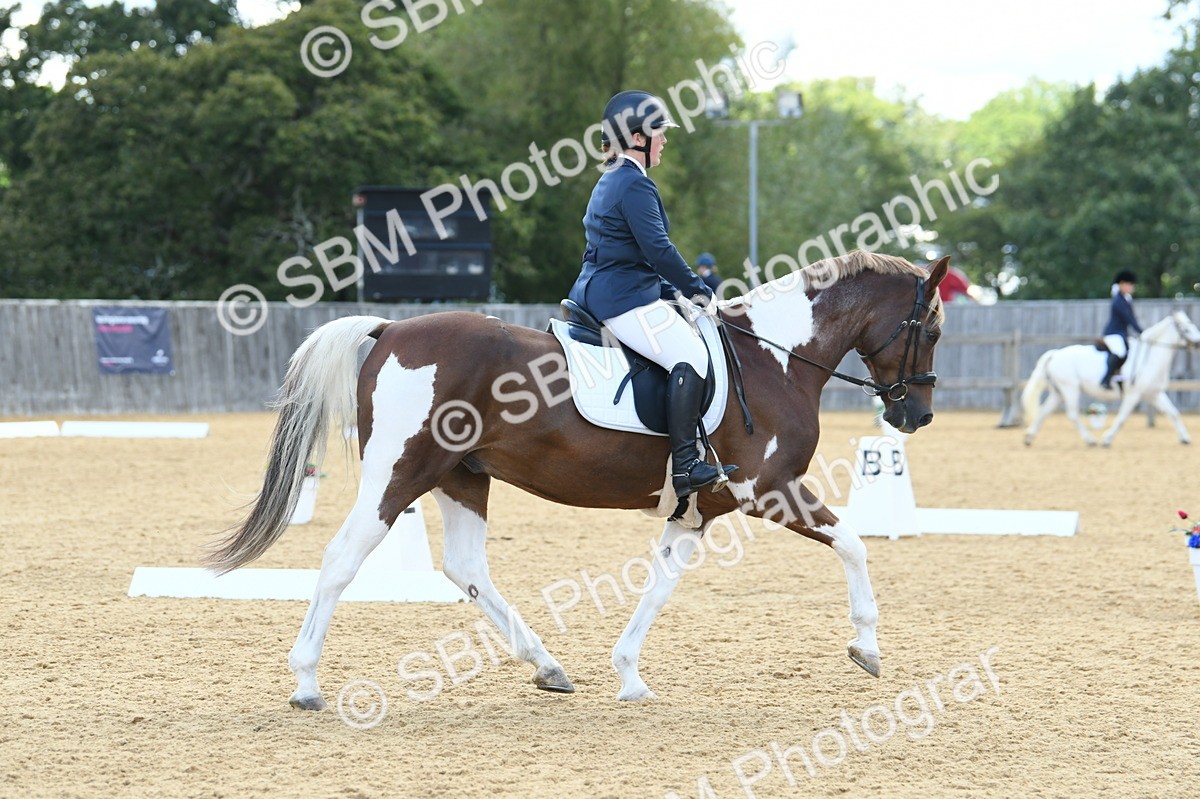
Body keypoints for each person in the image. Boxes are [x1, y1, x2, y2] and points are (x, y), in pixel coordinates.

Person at [568, 90, 737, 499]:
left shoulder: (611, 179)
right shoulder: (634, 186)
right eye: (659, 133)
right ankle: (685, 466)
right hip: (621, 300)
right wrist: (700, 292)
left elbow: (628, 254)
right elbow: (660, 250)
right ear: (639, 137)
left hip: (605, 290)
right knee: (692, 356)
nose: (664, 140)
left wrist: (671, 294)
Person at [1100, 269, 1142, 389]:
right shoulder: (1118, 300)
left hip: (1122, 334)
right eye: (1130, 284)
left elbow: (1132, 318)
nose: (1132, 287)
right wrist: (1141, 332)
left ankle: (1122, 376)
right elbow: (1129, 318)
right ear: (1122, 284)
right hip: (1113, 333)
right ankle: (1106, 379)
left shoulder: (1125, 299)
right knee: (1120, 351)